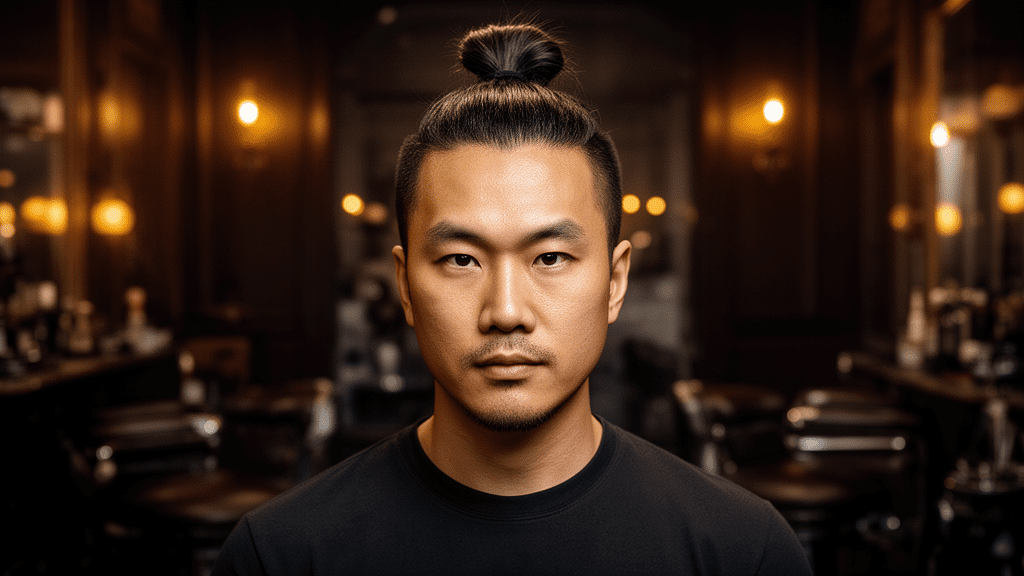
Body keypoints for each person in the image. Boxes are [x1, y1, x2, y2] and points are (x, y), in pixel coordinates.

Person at [212, 23, 813, 576]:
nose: (505, 311)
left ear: (615, 281)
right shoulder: (281, 556)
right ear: (405, 286)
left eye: (549, 257)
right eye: (461, 260)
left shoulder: (742, 551)